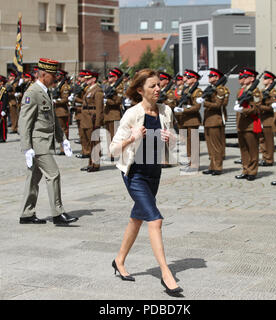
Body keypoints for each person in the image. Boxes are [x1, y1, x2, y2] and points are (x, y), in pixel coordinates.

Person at [109, 68, 183, 297]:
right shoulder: (132, 114)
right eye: (153, 86)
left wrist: (170, 138)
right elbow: (112, 150)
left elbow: (172, 144)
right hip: (135, 174)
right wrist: (132, 137)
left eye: (159, 85)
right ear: (141, 90)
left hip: (154, 172)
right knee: (155, 219)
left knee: (137, 218)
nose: (158, 89)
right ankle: (166, 273)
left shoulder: (166, 111)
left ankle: (119, 260)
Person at [18, 58, 78, 226]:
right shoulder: (32, 93)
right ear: (43, 75)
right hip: (38, 143)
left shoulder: (46, 91)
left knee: (33, 179)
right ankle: (58, 214)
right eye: (53, 75)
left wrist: (63, 139)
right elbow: (24, 122)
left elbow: (52, 120)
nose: (56, 78)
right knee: (53, 174)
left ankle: (26, 213)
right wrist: (26, 148)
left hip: (45, 141)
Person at [234, 68, 263, 181]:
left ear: (252, 78)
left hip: (250, 124)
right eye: (243, 77)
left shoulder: (255, 91)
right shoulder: (240, 91)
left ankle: (252, 171)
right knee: (243, 149)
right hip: (241, 124)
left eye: (246, 77)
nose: (243, 79)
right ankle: (245, 169)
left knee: (252, 149)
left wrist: (244, 110)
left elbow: (257, 108)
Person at [197, 68, 227, 175]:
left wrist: (204, 103)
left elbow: (218, 105)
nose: (209, 78)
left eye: (211, 76)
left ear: (217, 77)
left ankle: (218, 167)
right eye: (209, 76)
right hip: (208, 120)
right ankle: (212, 166)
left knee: (216, 146)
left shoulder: (221, 89)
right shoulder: (210, 88)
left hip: (215, 120)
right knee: (210, 147)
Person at [173, 69, 202, 172]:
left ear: (195, 79)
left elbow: (197, 107)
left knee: (193, 144)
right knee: (187, 144)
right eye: (186, 77)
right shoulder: (186, 90)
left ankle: (194, 165)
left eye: (189, 77)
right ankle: (189, 162)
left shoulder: (197, 91)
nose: (186, 79)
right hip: (184, 120)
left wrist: (184, 109)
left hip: (193, 120)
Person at [80, 70, 104, 173]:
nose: (86, 80)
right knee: (89, 142)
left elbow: (99, 109)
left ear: (94, 79)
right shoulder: (89, 90)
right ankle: (90, 163)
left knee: (94, 142)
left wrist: (97, 123)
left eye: (88, 78)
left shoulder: (97, 90)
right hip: (86, 119)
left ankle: (96, 164)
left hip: (92, 119)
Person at [258, 71, 276, 167]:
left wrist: (260, 107)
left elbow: (271, 107)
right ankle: (264, 157)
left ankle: (269, 159)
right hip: (261, 119)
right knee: (262, 140)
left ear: (271, 81)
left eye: (265, 78)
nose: (263, 80)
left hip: (269, 119)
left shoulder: (273, 92)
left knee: (269, 141)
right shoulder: (262, 91)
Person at [0, 76, 9, 143]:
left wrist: (4, 109)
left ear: (2, 82)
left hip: (2, 108)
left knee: (2, 124)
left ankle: (3, 137)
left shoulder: (4, 90)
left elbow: (5, 100)